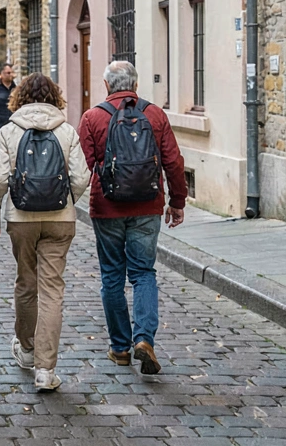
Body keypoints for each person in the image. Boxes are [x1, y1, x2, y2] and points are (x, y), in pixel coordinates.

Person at [77, 60, 187, 376]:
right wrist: (177, 201)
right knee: (143, 272)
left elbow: (82, 168)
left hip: (107, 207)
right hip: (147, 205)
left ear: (106, 84)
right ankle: (144, 339)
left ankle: (120, 348)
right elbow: (173, 162)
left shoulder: (93, 117)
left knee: (112, 274)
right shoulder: (154, 114)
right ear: (135, 85)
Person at [0, 73, 90, 392]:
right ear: (55, 97)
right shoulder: (66, 130)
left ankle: (27, 349)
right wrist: (67, 201)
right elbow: (82, 177)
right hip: (60, 218)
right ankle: (45, 369)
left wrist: (9, 199)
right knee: (52, 289)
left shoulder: (9, 130)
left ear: (19, 98)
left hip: (21, 218)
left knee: (25, 282)